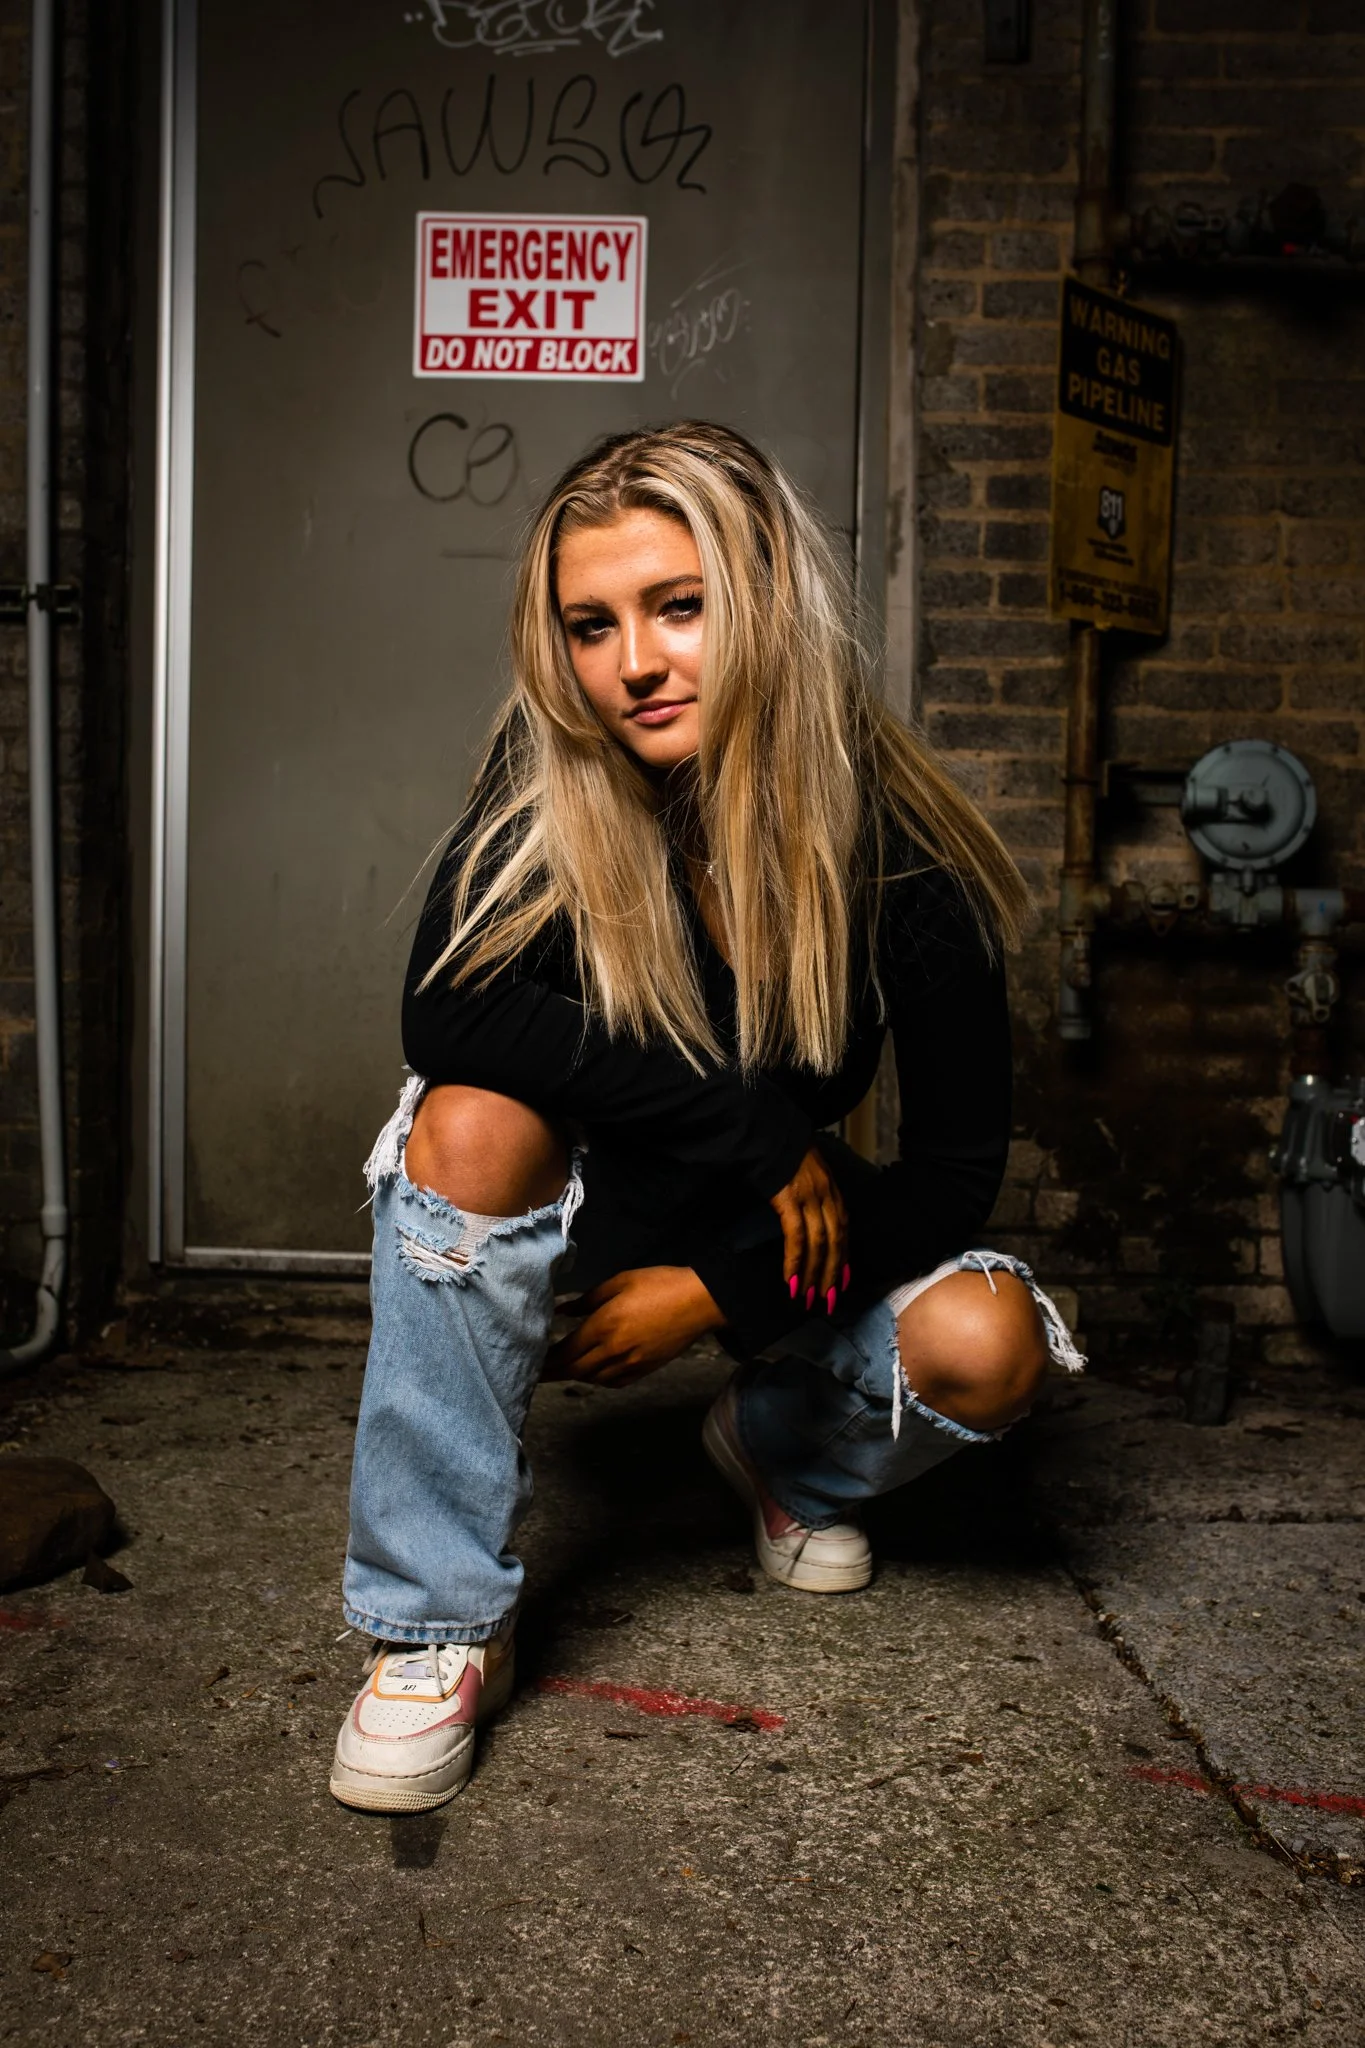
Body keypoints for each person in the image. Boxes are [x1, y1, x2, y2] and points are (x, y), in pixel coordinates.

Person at [329, 421, 1083, 1816]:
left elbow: (957, 1170)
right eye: (591, 624)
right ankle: (431, 1627)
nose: (634, 664)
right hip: (601, 1220)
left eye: (680, 607)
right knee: (469, 1119)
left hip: (778, 1248)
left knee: (988, 1339)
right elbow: (448, 1015)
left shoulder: (899, 858)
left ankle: (785, 1450)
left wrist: (714, 1291)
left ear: (765, 605)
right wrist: (755, 1125)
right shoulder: (549, 776)